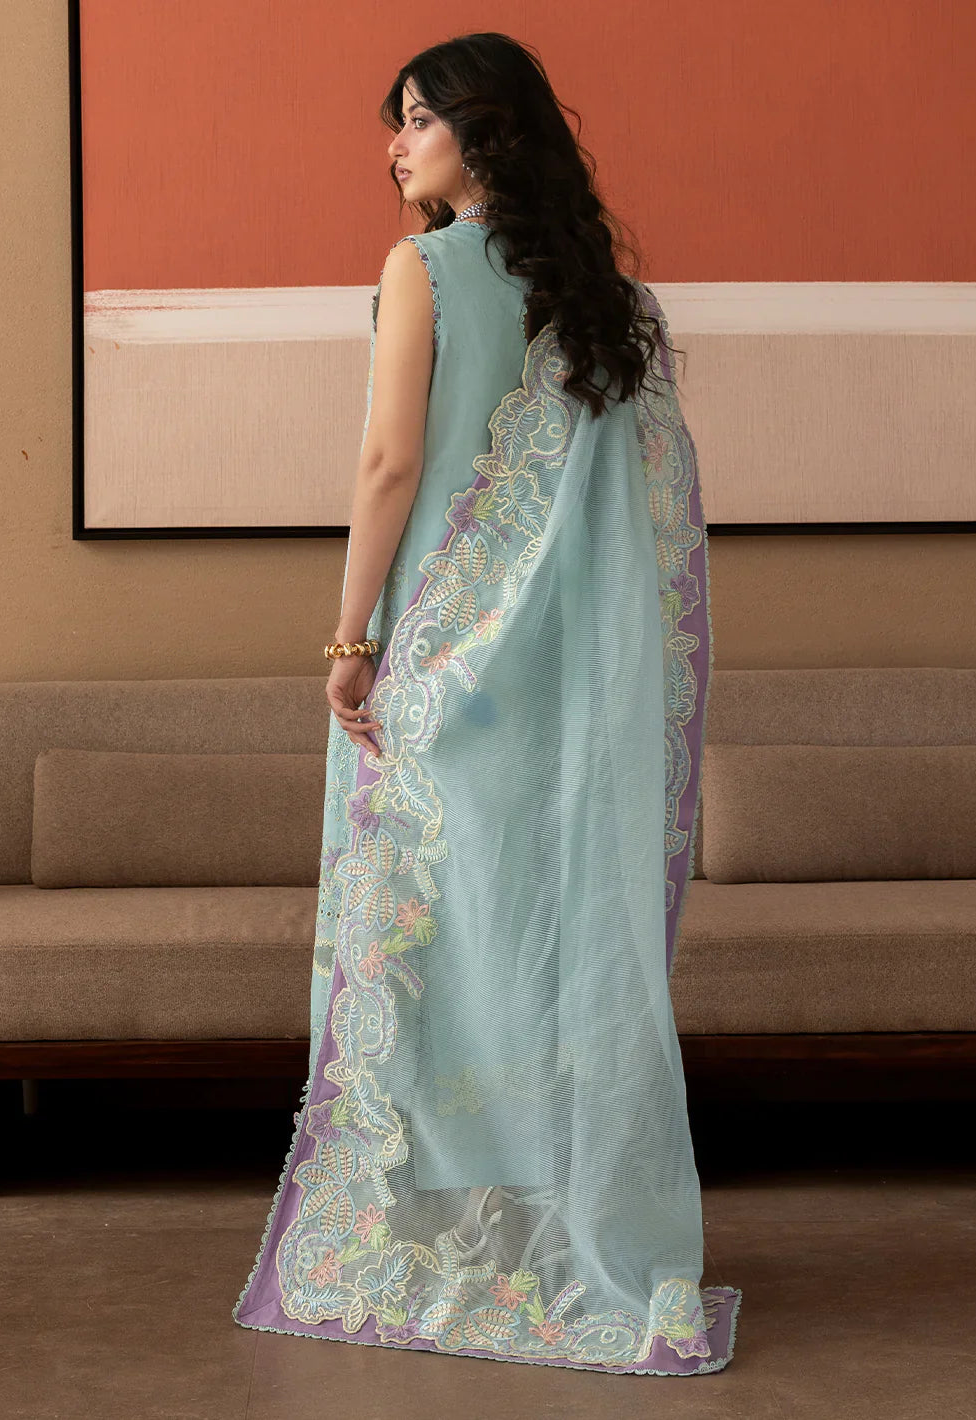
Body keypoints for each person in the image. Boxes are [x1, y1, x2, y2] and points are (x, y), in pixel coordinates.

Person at [232, 32, 741, 1375]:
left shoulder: (424, 269)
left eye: (416, 119)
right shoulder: (608, 300)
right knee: (539, 940)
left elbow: (389, 462)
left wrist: (350, 637)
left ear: (484, 128)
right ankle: (562, 1225)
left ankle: (434, 1237)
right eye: (395, 125)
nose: (397, 148)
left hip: (437, 667)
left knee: (430, 947)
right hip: (564, 690)